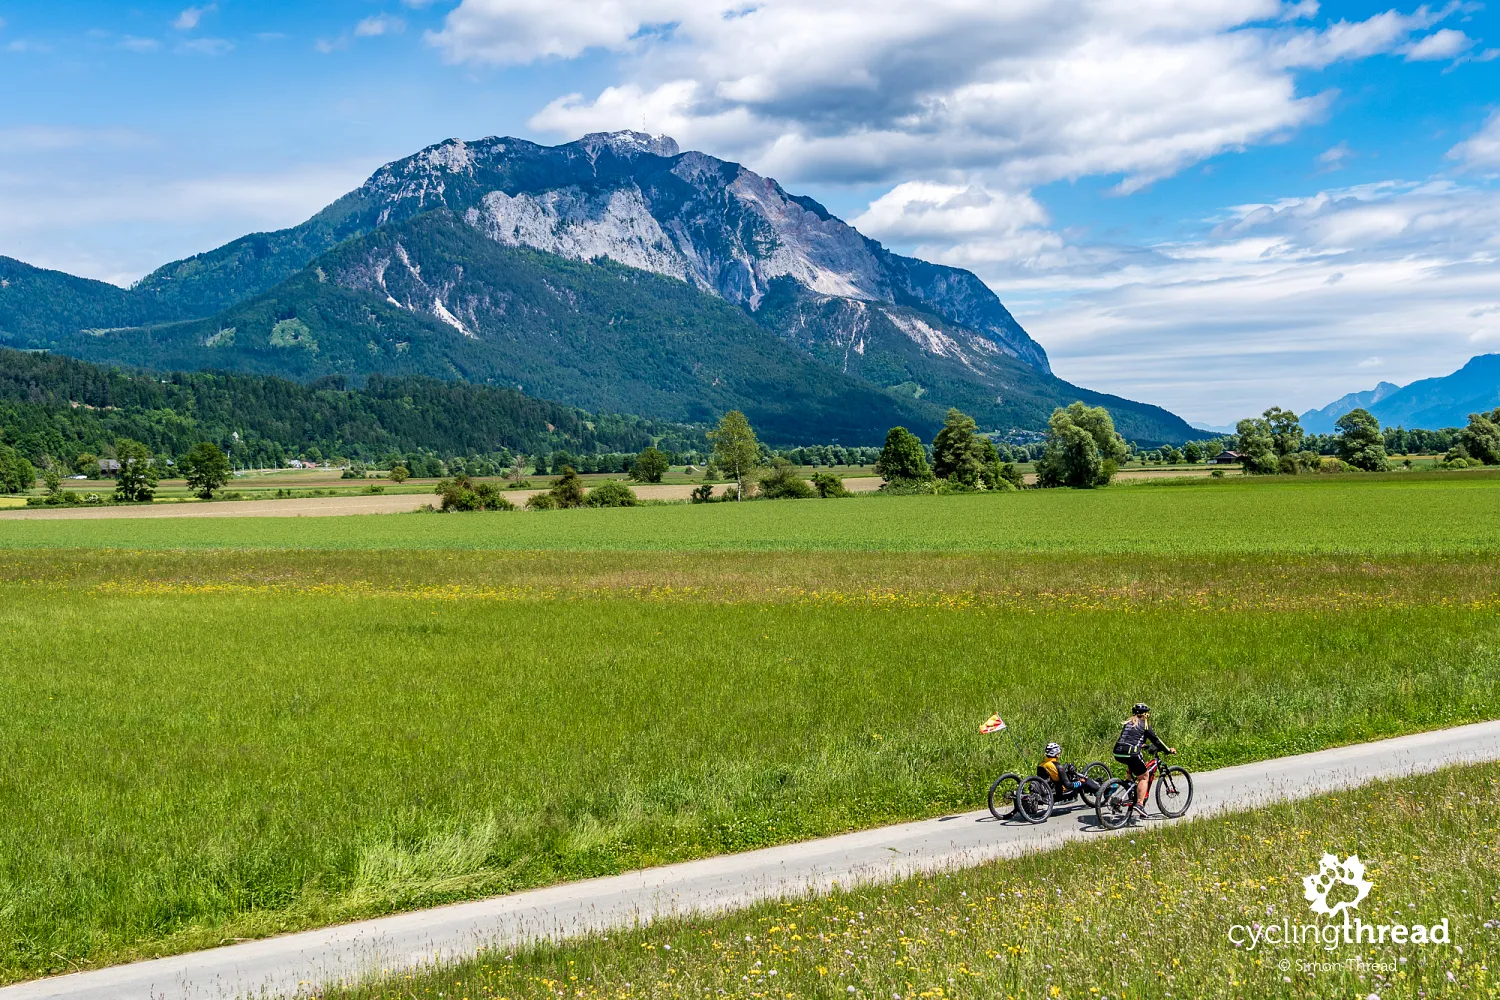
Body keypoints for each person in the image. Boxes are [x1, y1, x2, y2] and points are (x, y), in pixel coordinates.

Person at [1113, 704, 1175, 816]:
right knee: (1144, 776)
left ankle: (1128, 781)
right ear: (1145, 714)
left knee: (1131, 761)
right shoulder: (1145, 725)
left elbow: (1132, 738)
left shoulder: (1128, 723)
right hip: (1131, 752)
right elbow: (1157, 741)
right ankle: (1140, 804)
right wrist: (1168, 750)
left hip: (1117, 751)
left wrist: (1144, 745)